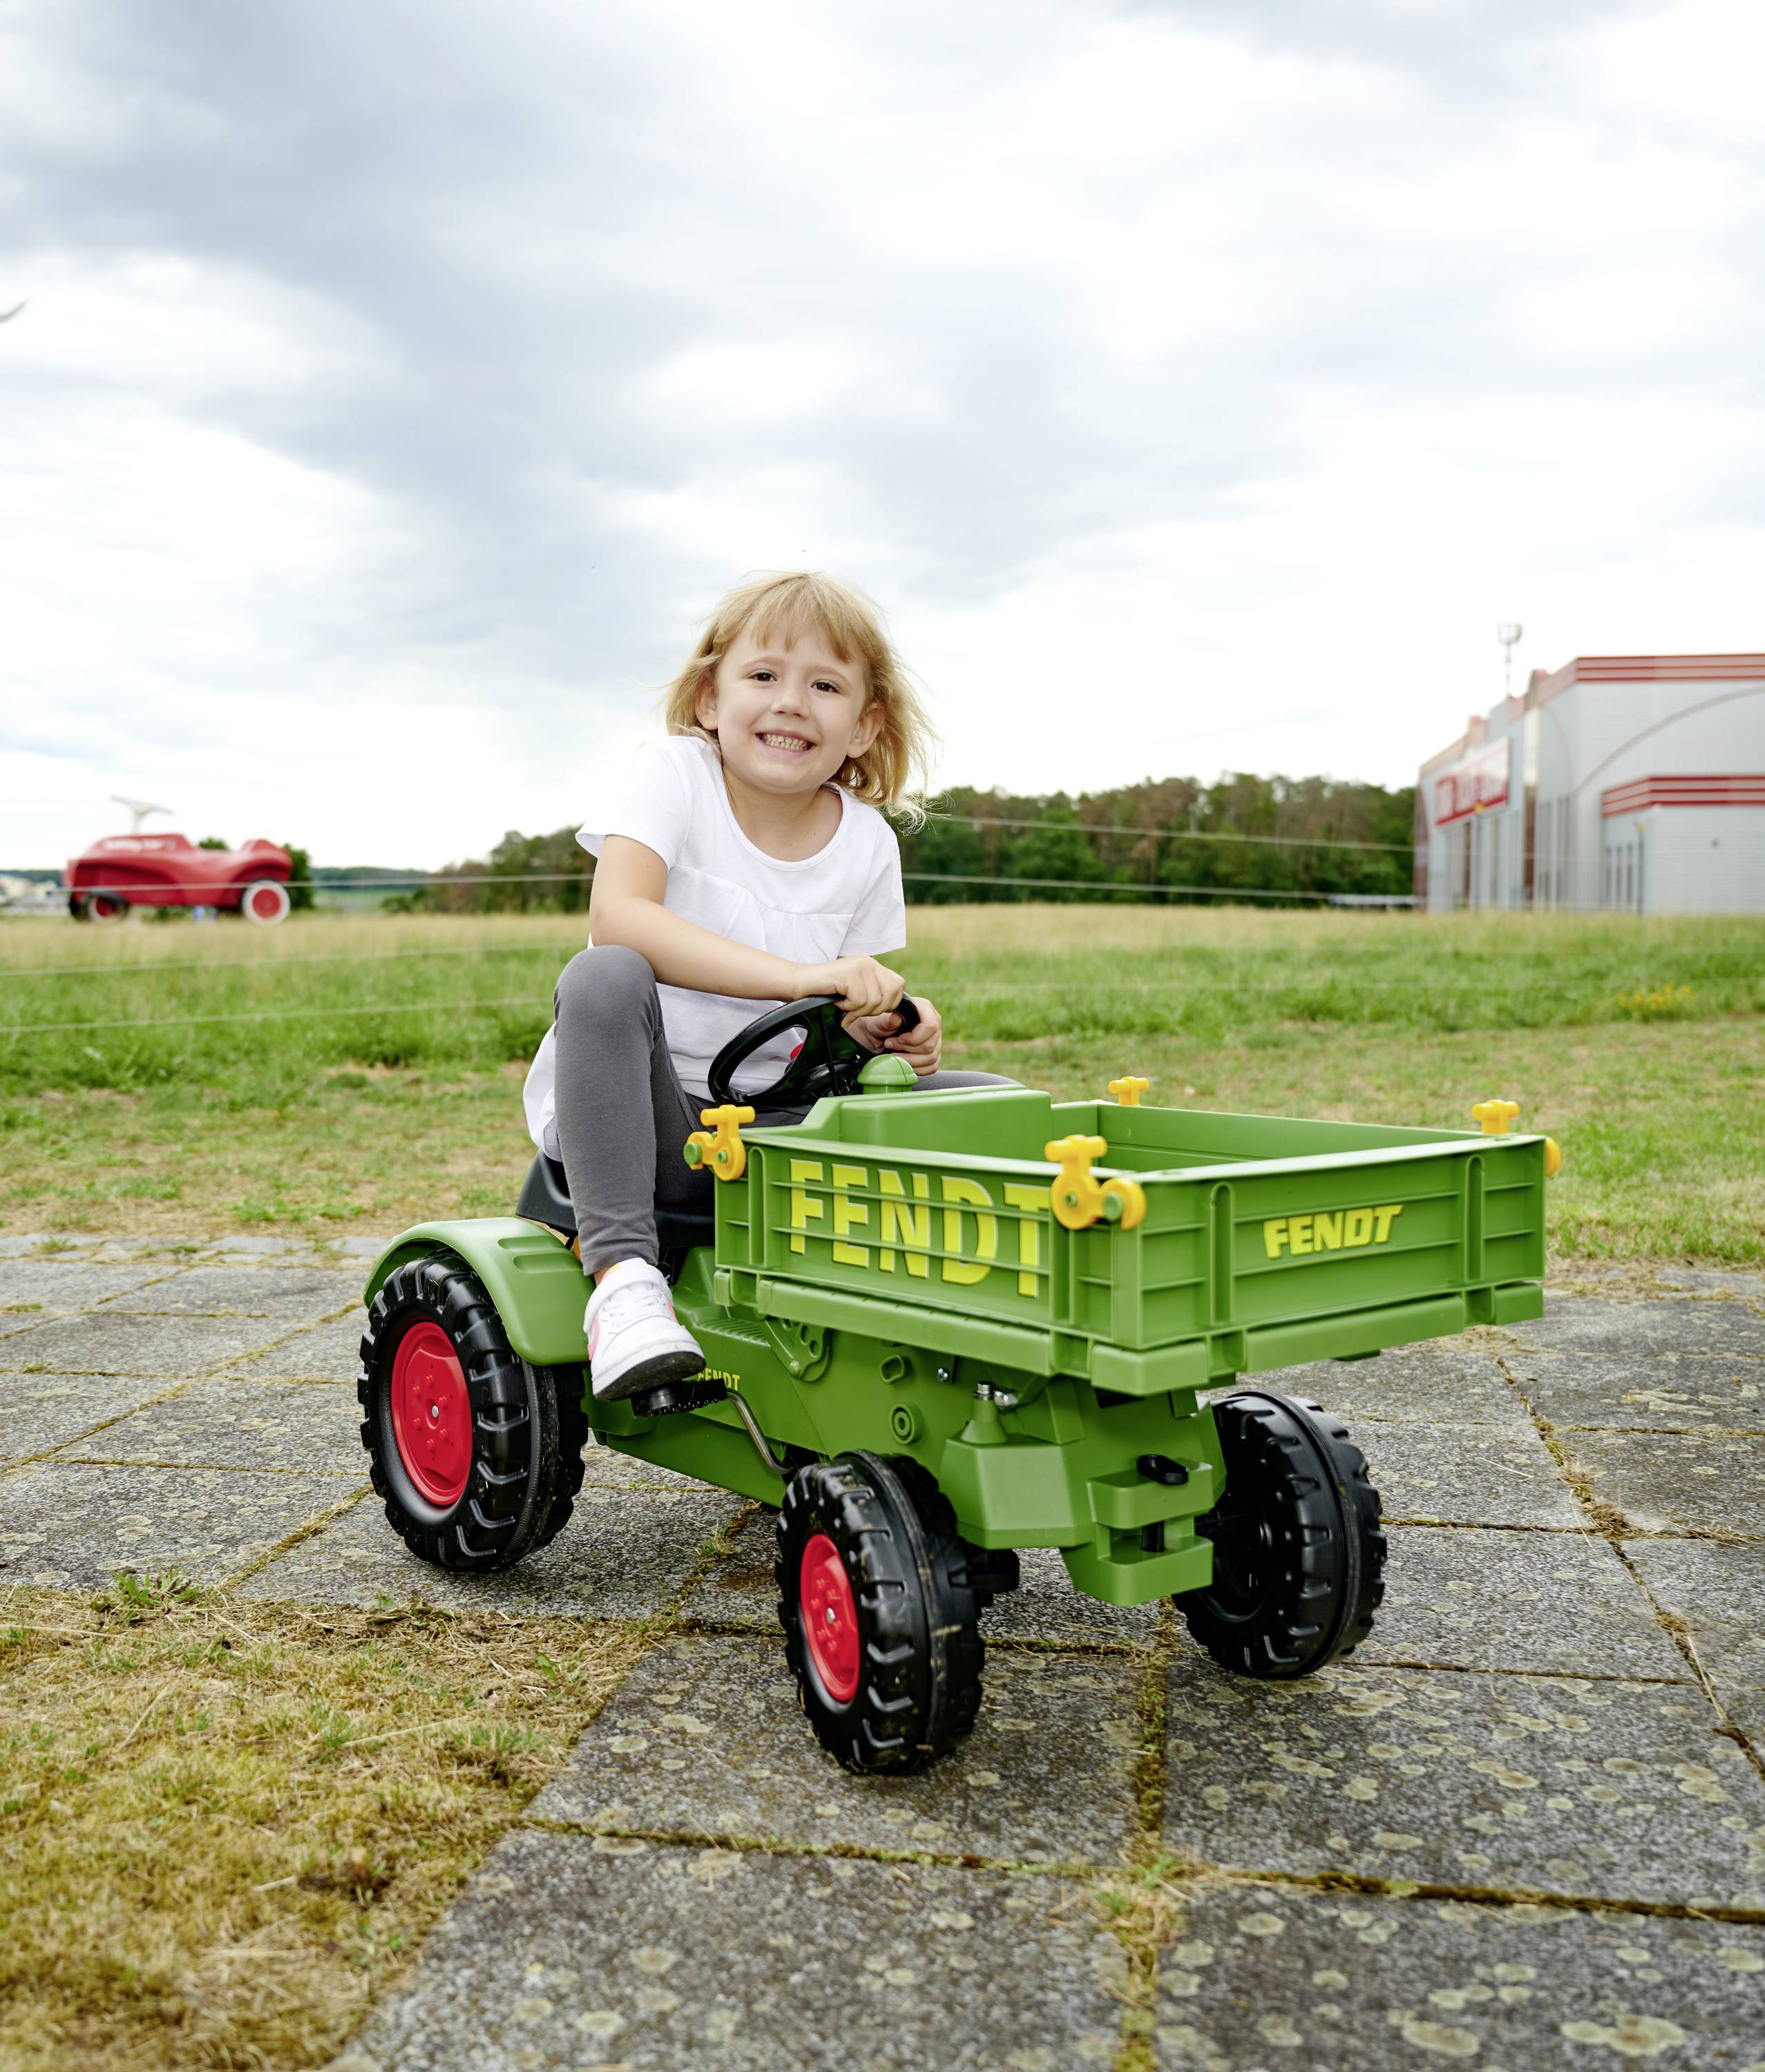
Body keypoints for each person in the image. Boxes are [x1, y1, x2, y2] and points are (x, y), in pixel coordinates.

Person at [522, 570, 1009, 1403]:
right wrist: (800, 976)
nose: (790, 702)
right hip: (652, 1132)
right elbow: (620, 918)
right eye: (763, 676)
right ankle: (624, 1282)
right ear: (710, 698)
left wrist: (896, 1024)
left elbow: (836, 1020)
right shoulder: (673, 776)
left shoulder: (865, 843)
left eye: (824, 685)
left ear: (863, 726)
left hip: (781, 1131)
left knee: (995, 1102)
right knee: (602, 974)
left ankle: (975, 1321)